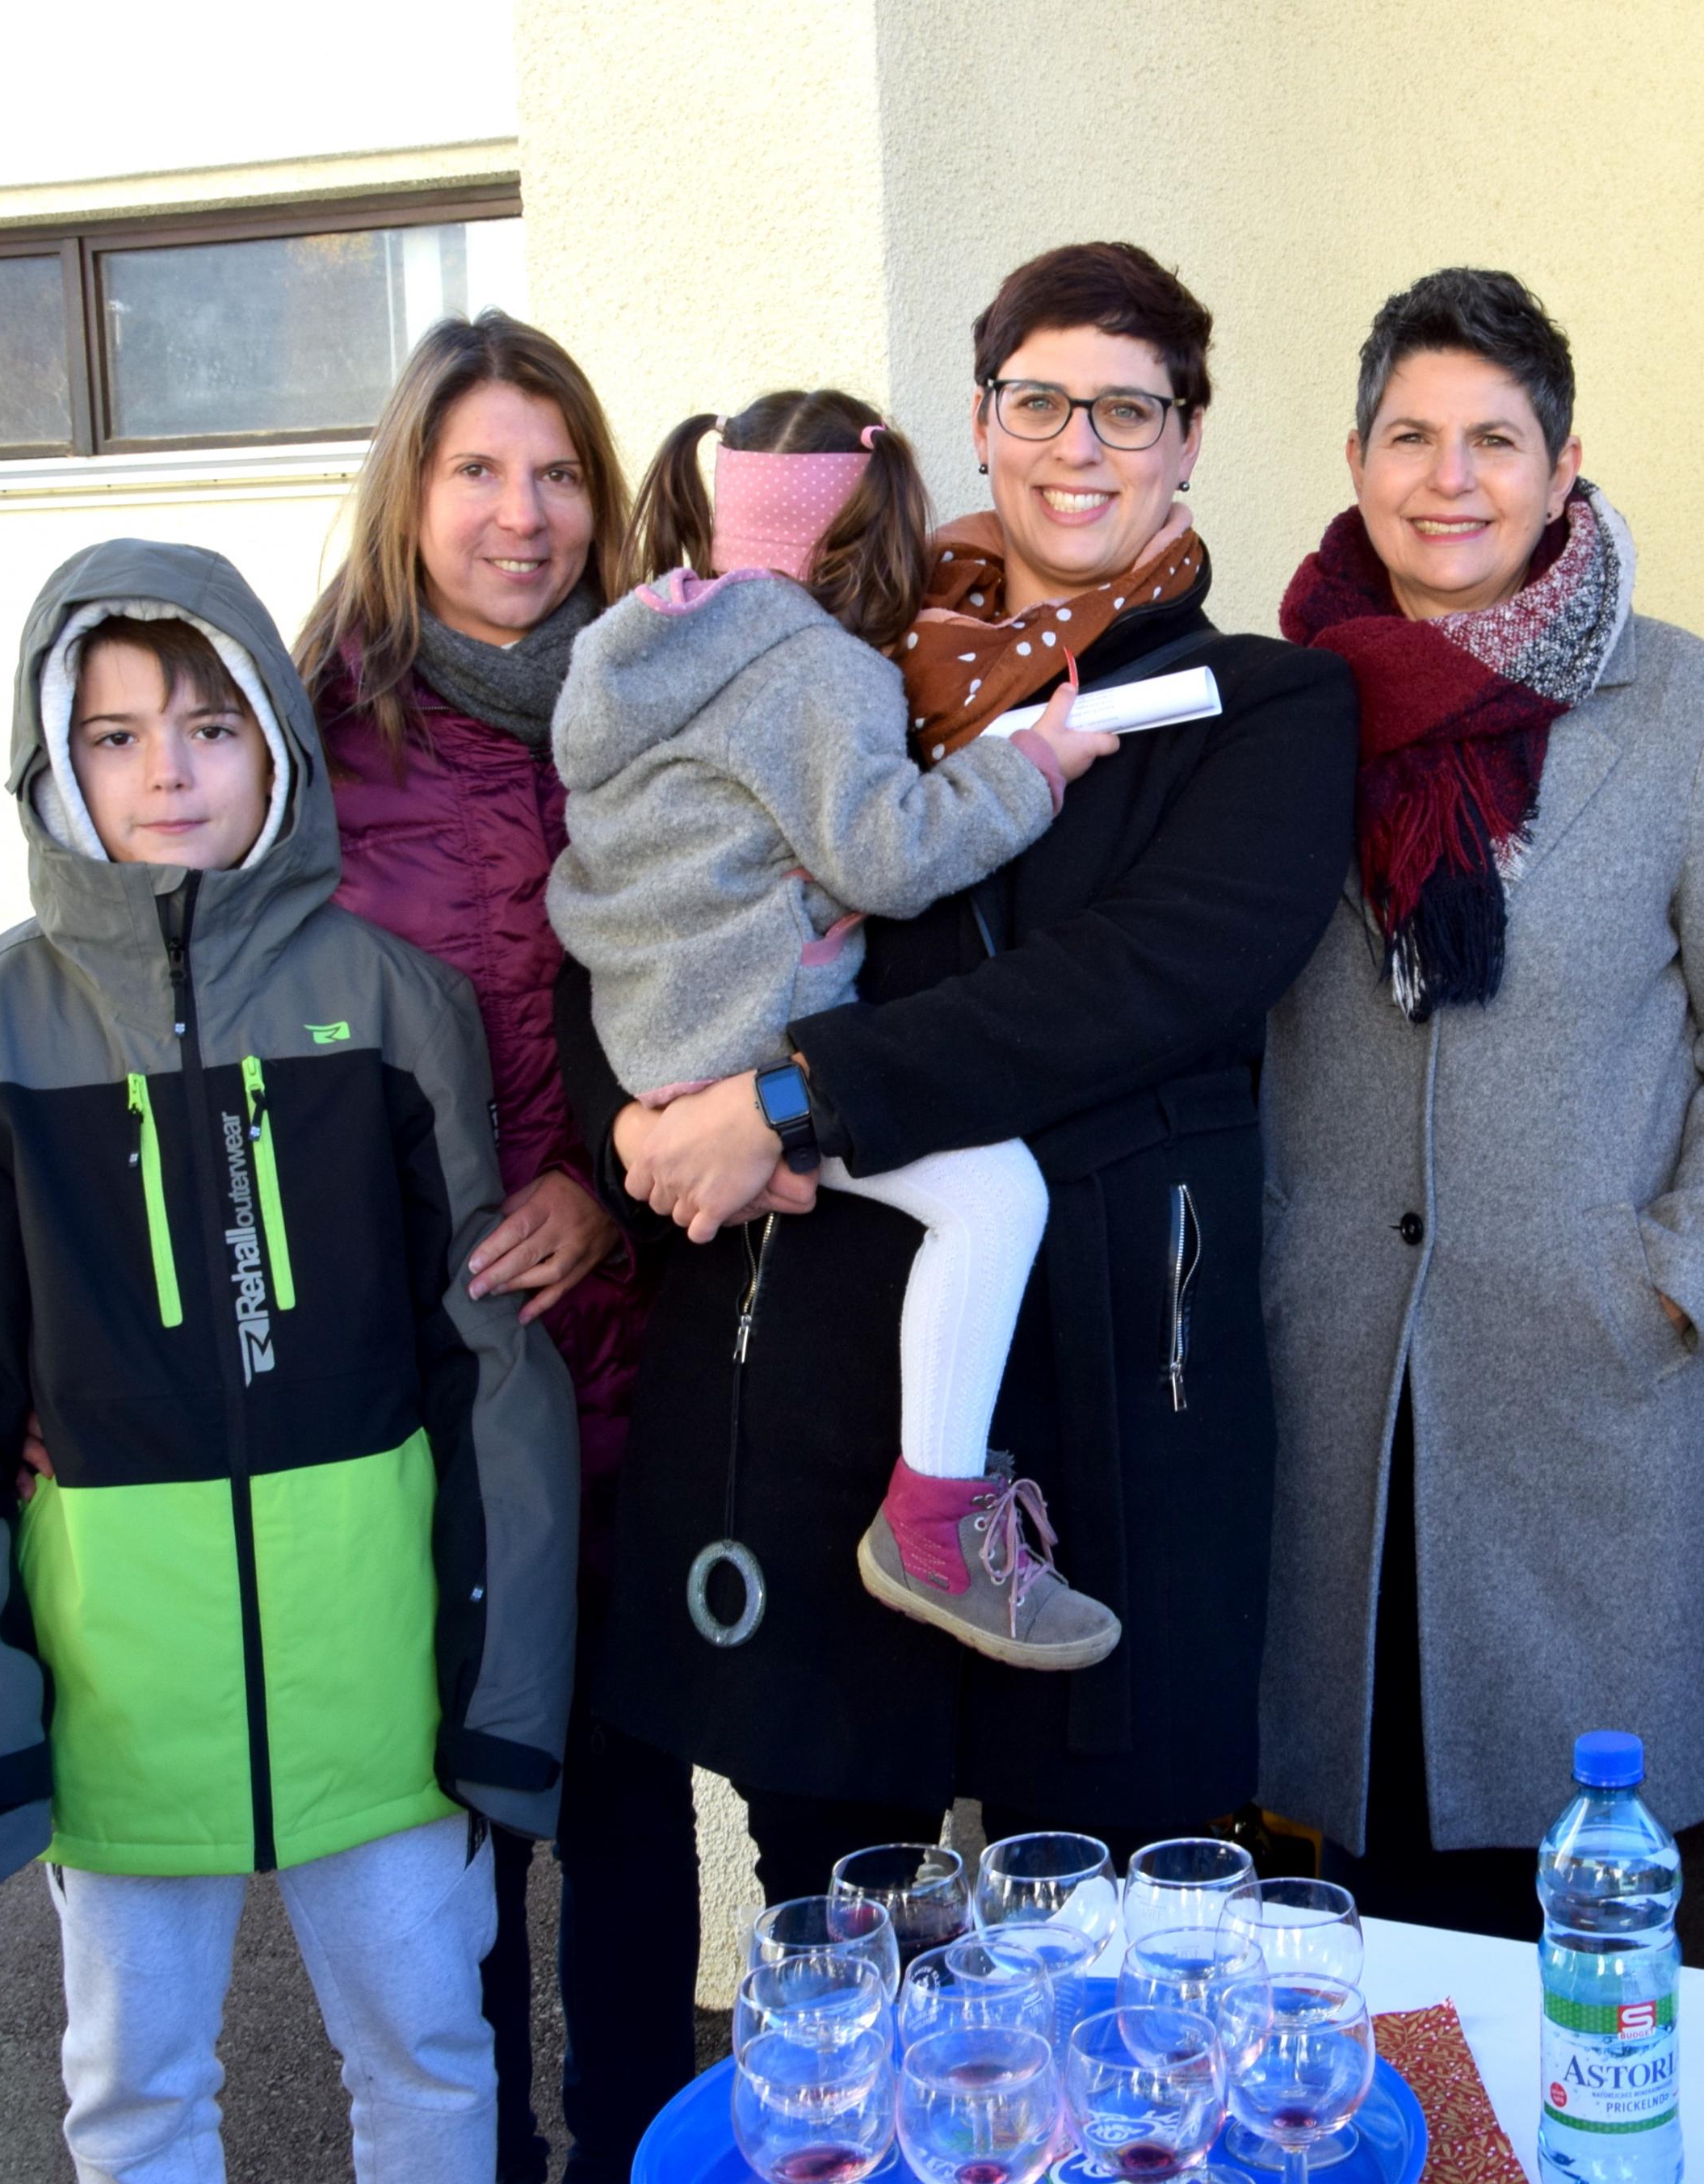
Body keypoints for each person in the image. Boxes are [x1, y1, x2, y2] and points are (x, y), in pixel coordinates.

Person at [552, 242, 1357, 2176]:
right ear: (979, 421)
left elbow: (1140, 982)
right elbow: (653, 914)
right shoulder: (828, 665)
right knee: (849, 1935)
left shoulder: (1260, 705)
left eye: (1129, 407)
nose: (1081, 444)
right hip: (836, 1388)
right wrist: (641, 1122)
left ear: (1188, 440)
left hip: (1121, 1372)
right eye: (1040, 400)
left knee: (1117, 1949)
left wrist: (790, 1097)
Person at [0, 540, 581, 2181]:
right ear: (54, 759)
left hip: (375, 1686)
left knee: (431, 2061)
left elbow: (488, 1373)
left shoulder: (395, 1004)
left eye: (210, 725)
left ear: (276, 743)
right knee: (138, 2095)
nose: (167, 770)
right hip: (118, 1700)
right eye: (113, 733)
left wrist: (503, 1692)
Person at [1257, 268, 1704, 1933]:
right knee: (1371, 1899)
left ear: (1562, 463)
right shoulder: (1282, 708)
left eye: (1494, 441)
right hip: (1344, 1381)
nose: (1450, 480)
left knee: (1599, 1905)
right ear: (1355, 458)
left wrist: (1686, 1263)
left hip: (1601, 1376)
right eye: (1411, 437)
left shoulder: (1683, 706)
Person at [548, 385, 1124, 1666]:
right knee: (997, 1198)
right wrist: (1034, 766)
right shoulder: (820, 668)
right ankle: (934, 1522)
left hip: (649, 1031)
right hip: (753, 1032)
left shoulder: (631, 646)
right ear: (874, 529)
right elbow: (889, 854)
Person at [295, 309, 653, 2184]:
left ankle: (639, 2146)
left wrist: (604, 1182)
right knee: (460, 1821)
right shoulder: (312, 734)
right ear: (408, 491)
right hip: (427, 1363)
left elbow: (745, 974)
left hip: (646, 1329)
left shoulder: (664, 698)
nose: (524, 513)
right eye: (478, 471)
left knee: (630, 1798)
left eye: (559, 472)